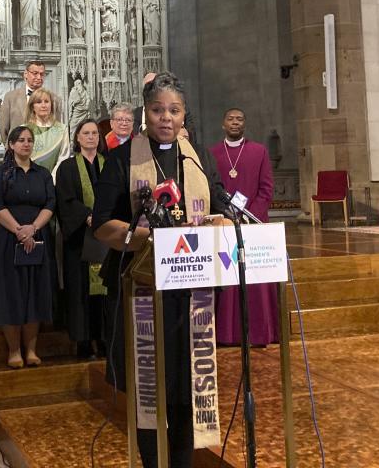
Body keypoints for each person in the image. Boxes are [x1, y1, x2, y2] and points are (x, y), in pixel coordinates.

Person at [92, 72, 226, 468]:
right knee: (150, 387)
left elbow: (221, 209)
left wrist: (222, 226)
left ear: (185, 114)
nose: (166, 117)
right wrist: (146, 237)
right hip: (141, 288)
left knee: (185, 387)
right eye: (157, 110)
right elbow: (102, 224)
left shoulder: (198, 157)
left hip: (191, 293)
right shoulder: (121, 159)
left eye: (174, 110)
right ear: (145, 113)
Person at [0, 126, 56, 369]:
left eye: (29, 140)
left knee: (34, 293)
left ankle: (32, 350)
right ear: (11, 145)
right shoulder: (1, 173)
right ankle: (14, 351)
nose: (26, 144)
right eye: (21, 140)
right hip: (7, 239)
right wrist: (19, 230)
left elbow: (50, 203)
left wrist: (32, 229)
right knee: (10, 294)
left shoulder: (43, 173)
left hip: (37, 238)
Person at [209, 108, 278, 346]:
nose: (235, 123)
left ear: (244, 124)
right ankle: (228, 334)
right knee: (228, 279)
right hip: (225, 226)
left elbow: (266, 189)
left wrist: (249, 215)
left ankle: (259, 333)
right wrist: (228, 215)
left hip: (254, 225)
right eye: (231, 119)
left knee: (255, 281)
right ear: (223, 123)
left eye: (239, 119)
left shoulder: (259, 151)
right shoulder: (213, 153)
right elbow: (212, 190)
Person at [55, 119, 108, 359]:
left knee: (106, 290)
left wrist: (104, 218)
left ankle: (105, 339)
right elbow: (65, 200)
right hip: (79, 240)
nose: (90, 137)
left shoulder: (110, 165)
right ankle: (84, 343)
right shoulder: (67, 168)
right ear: (77, 138)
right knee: (80, 292)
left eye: (94, 133)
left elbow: (116, 196)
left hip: (107, 238)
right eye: (85, 133)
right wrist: (87, 216)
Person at [0, 60, 62, 145]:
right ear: (25, 74)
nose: (39, 77)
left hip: (44, 152)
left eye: (42, 74)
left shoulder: (54, 99)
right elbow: (4, 129)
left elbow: (56, 129)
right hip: (16, 152)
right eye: (35, 73)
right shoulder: (10, 97)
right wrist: (10, 148)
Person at [26, 88, 69, 176]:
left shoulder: (62, 129)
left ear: (51, 105)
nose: (43, 105)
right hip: (29, 180)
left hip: (54, 181)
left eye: (46, 101)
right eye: (39, 102)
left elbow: (63, 158)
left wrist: (51, 179)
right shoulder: (24, 129)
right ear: (32, 106)